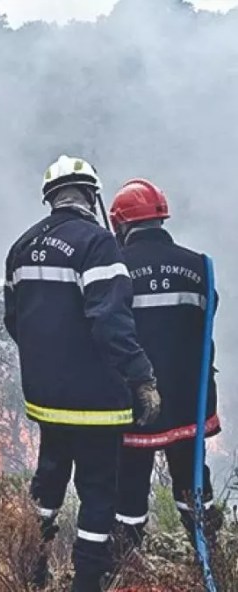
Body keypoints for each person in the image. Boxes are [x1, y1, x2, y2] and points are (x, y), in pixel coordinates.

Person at [3, 155, 160, 591]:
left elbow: (14, 320)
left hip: (45, 398)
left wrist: (47, 360)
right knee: (97, 491)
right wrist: (141, 376)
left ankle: (30, 567)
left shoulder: (21, 247)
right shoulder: (98, 244)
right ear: (92, 195)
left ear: (50, 198)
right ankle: (88, 581)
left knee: (48, 481)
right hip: (96, 402)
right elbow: (111, 320)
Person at [109, 178, 222, 557]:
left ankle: (128, 563)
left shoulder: (116, 269)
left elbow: (106, 331)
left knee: (129, 491)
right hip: (192, 398)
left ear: (121, 224)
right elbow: (205, 321)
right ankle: (211, 557)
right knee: (193, 487)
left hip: (138, 403)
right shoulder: (200, 266)